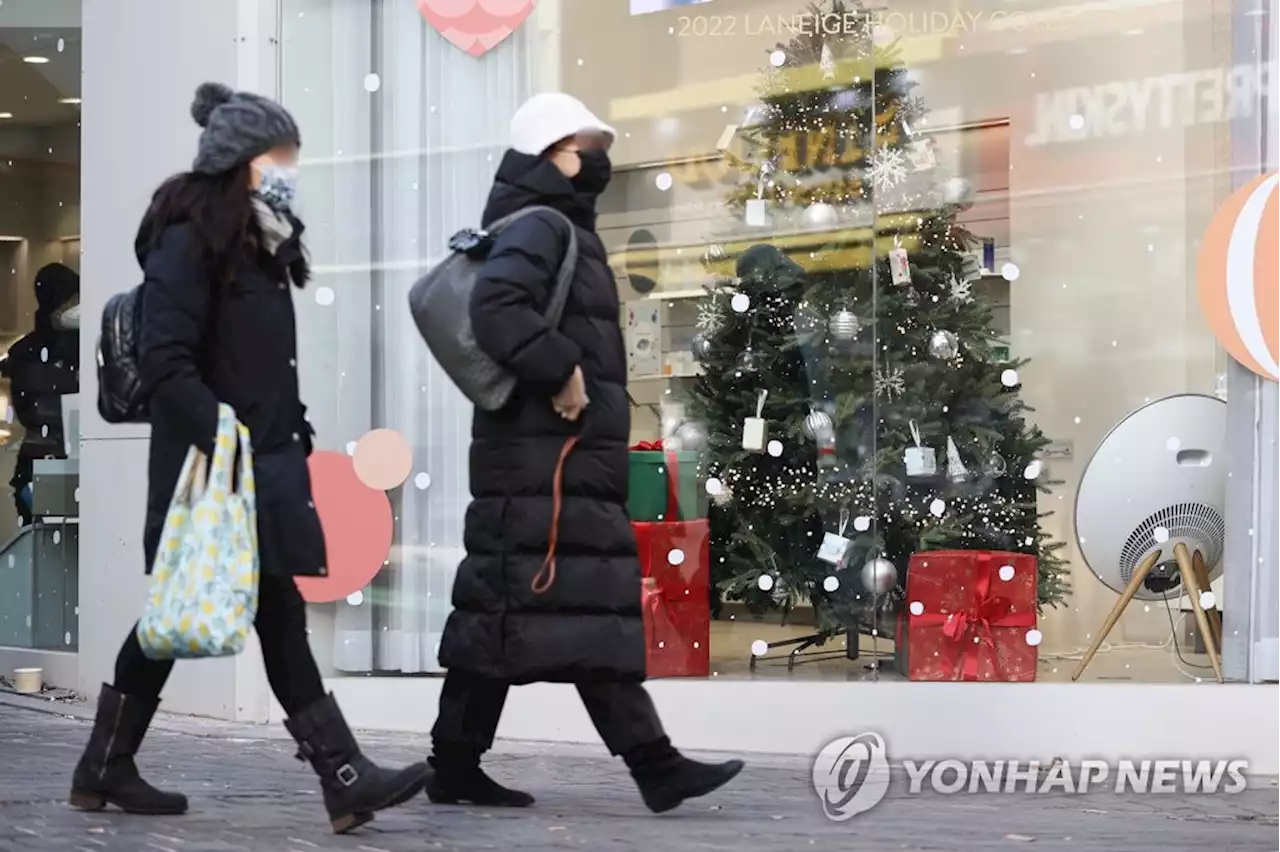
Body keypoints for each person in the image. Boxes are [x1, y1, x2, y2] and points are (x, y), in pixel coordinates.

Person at [67, 82, 429, 834]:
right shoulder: (188, 238)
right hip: (219, 467)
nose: (293, 167)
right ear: (244, 162)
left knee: (248, 612)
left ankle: (108, 767)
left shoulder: (256, 242)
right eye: (283, 154)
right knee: (223, 613)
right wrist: (223, 436)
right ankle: (343, 776)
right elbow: (167, 360)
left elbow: (258, 362)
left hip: (259, 461)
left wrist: (291, 430)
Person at [429, 92, 743, 814]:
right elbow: (498, 309)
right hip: (546, 462)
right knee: (569, 611)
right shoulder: (541, 224)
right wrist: (562, 366)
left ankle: (456, 765)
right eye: (585, 147)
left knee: (511, 617)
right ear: (551, 156)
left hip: (548, 462)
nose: (598, 160)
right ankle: (653, 765)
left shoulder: (548, 223)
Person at [1, 263, 80, 526]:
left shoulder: (27, 351)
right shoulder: (29, 353)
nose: (76, 306)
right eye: (71, 300)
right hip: (47, 465)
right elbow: (33, 410)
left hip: (45, 464)